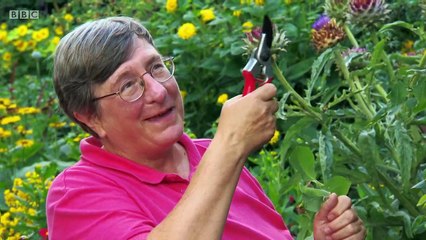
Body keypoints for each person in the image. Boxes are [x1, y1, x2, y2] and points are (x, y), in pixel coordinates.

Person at [47, 16, 366, 240]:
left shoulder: (210, 154)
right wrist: (230, 146)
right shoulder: (77, 195)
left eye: (156, 67)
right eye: (128, 86)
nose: (159, 91)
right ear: (90, 117)